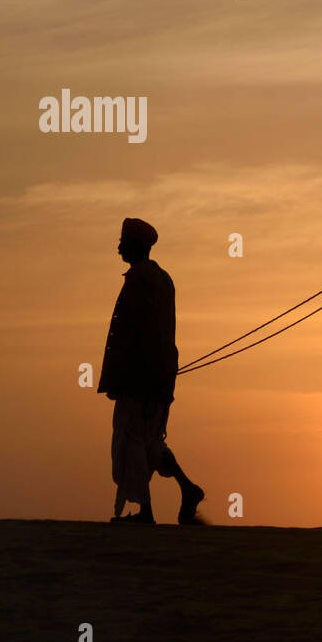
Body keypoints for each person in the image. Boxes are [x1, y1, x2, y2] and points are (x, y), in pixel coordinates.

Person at [100, 217, 204, 524]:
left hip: (140, 379)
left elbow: (147, 334)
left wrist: (142, 380)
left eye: (123, 241)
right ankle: (187, 488)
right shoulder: (161, 278)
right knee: (149, 442)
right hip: (158, 376)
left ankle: (145, 513)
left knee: (131, 441)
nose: (119, 246)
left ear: (135, 246)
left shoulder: (139, 281)